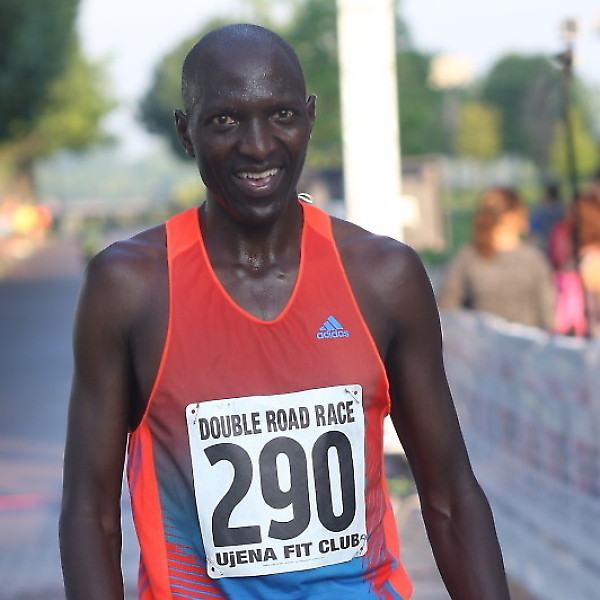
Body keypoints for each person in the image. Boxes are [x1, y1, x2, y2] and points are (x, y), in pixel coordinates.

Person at [59, 24, 511, 600]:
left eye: (281, 115)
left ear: (310, 117)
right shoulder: (131, 287)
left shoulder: (383, 278)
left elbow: (450, 497)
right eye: (225, 120)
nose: (258, 146)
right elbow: (90, 515)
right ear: (185, 132)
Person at [439, 187, 555, 330]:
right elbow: (548, 316)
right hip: (522, 341)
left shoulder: (467, 257)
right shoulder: (534, 260)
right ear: (511, 217)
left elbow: (447, 307)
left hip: (483, 341)